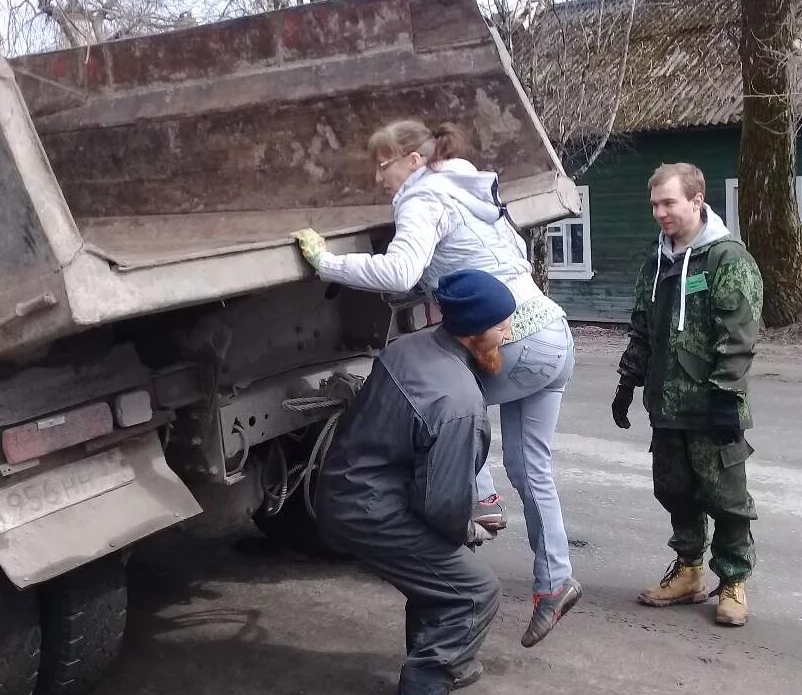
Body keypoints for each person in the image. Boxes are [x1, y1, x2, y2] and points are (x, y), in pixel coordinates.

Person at [292, 120, 581, 647]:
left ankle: (481, 499)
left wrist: (326, 264)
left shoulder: (422, 198)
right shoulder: (477, 194)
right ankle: (554, 581)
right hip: (553, 334)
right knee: (530, 466)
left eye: (382, 166)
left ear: (413, 161)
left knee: (437, 407)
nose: (379, 180)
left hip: (509, 338)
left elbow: (400, 271)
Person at [316, 270, 515, 695]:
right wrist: (469, 529)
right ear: (472, 329)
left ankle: (445, 660)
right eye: (502, 324)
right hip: (369, 510)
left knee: (443, 574)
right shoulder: (458, 400)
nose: (510, 332)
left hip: (349, 488)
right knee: (474, 591)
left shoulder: (411, 345)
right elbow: (442, 508)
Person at [611, 163, 764, 627]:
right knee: (675, 490)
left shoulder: (726, 259)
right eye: (654, 204)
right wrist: (628, 381)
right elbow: (642, 329)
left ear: (697, 200)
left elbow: (738, 336)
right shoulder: (657, 260)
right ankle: (689, 571)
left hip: (712, 406)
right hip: (666, 405)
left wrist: (725, 398)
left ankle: (733, 581)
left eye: (669, 203)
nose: (659, 213)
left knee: (727, 498)